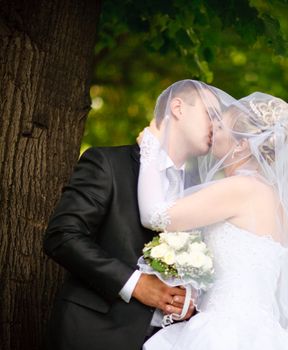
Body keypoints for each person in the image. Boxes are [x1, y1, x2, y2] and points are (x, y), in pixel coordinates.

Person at [43, 80, 234, 350]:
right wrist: (135, 284)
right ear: (178, 108)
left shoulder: (202, 193)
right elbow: (62, 236)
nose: (218, 125)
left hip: (173, 340)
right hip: (95, 332)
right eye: (210, 114)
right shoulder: (108, 163)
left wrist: (190, 294)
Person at [138, 92, 288, 349]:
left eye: (218, 125)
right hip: (259, 331)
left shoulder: (241, 188)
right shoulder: (274, 199)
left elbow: (156, 216)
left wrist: (151, 148)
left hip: (224, 331)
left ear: (240, 145)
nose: (211, 129)